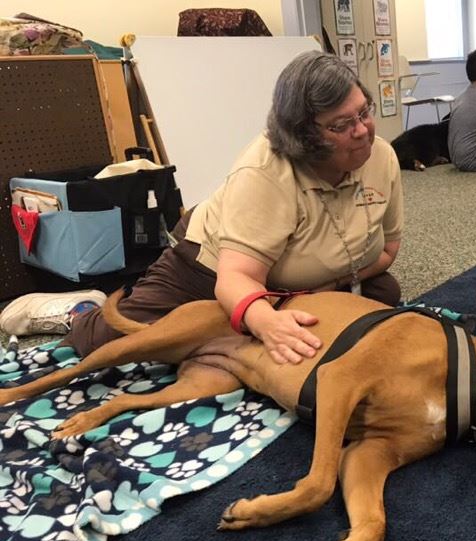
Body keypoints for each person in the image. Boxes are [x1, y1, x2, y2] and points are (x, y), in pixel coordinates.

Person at [0, 50, 404, 365]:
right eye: (340, 125)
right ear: (306, 137)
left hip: (309, 280)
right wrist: (267, 322)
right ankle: (79, 309)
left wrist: (326, 289)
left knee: (384, 295)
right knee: (107, 342)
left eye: (364, 112)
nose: (363, 130)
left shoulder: (382, 157)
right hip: (211, 264)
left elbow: (386, 250)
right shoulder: (265, 170)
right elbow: (235, 278)